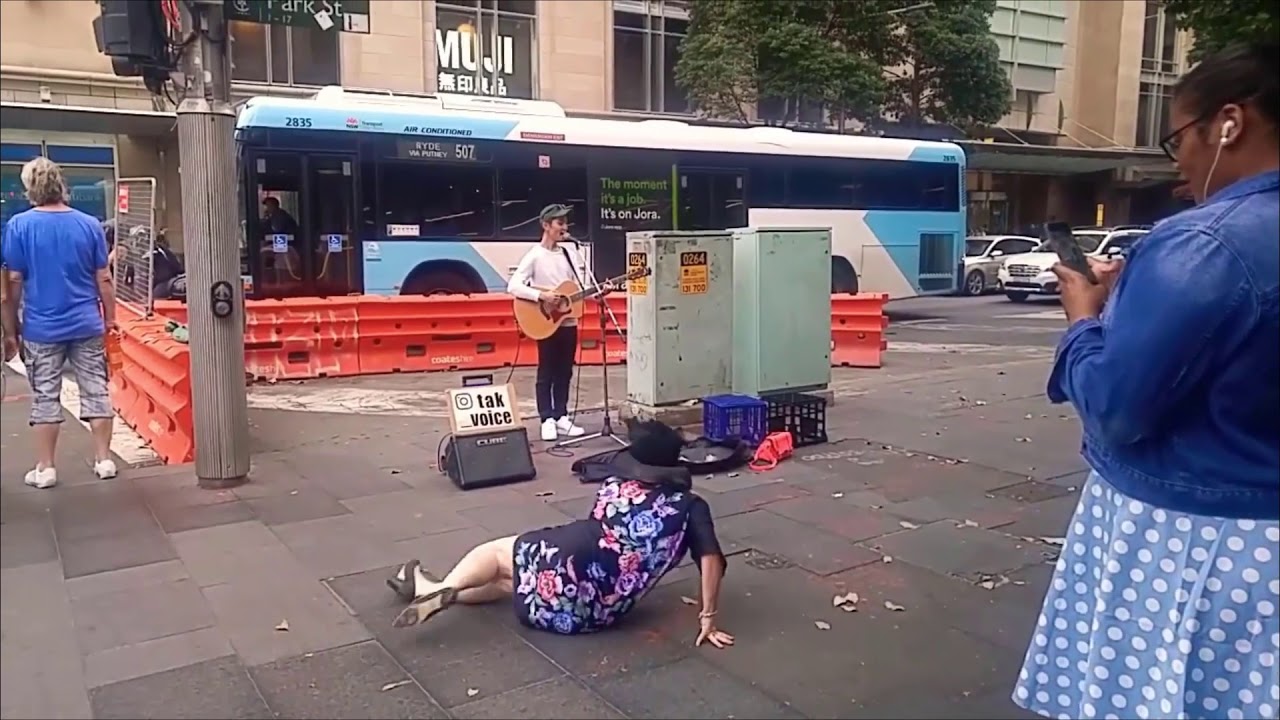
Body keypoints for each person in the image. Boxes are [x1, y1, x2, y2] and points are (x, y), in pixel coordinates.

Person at [1013, 42, 1279, 720]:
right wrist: (1144, 299)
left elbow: (1115, 408)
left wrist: (1084, 320)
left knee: (1167, 693)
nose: (1180, 161)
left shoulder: (1206, 241)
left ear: (1230, 122)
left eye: (1178, 138)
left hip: (1202, 540)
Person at [386, 420, 734, 647]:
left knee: (496, 556)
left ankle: (445, 587)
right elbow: (710, 560)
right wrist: (708, 617)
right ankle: (430, 588)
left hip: (574, 557)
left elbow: (597, 531)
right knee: (512, 583)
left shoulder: (615, 486)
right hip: (599, 612)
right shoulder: (692, 506)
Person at [1, 157, 119, 488]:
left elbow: (13, 281)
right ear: (60, 185)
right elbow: (104, 277)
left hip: (41, 326)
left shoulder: (20, 226)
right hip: (86, 322)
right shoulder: (89, 225)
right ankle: (104, 459)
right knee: (96, 388)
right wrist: (110, 318)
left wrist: (11, 330)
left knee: (45, 395)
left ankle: (46, 467)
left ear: (30, 189)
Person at [507, 203, 593, 442]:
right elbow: (513, 286)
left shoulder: (570, 252)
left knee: (565, 370)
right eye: (559, 223)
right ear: (546, 226)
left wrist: (599, 291)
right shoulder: (535, 255)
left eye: (565, 223)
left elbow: (578, 288)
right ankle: (546, 418)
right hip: (545, 320)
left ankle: (561, 415)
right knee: (546, 370)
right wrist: (541, 296)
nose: (564, 227)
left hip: (567, 320)